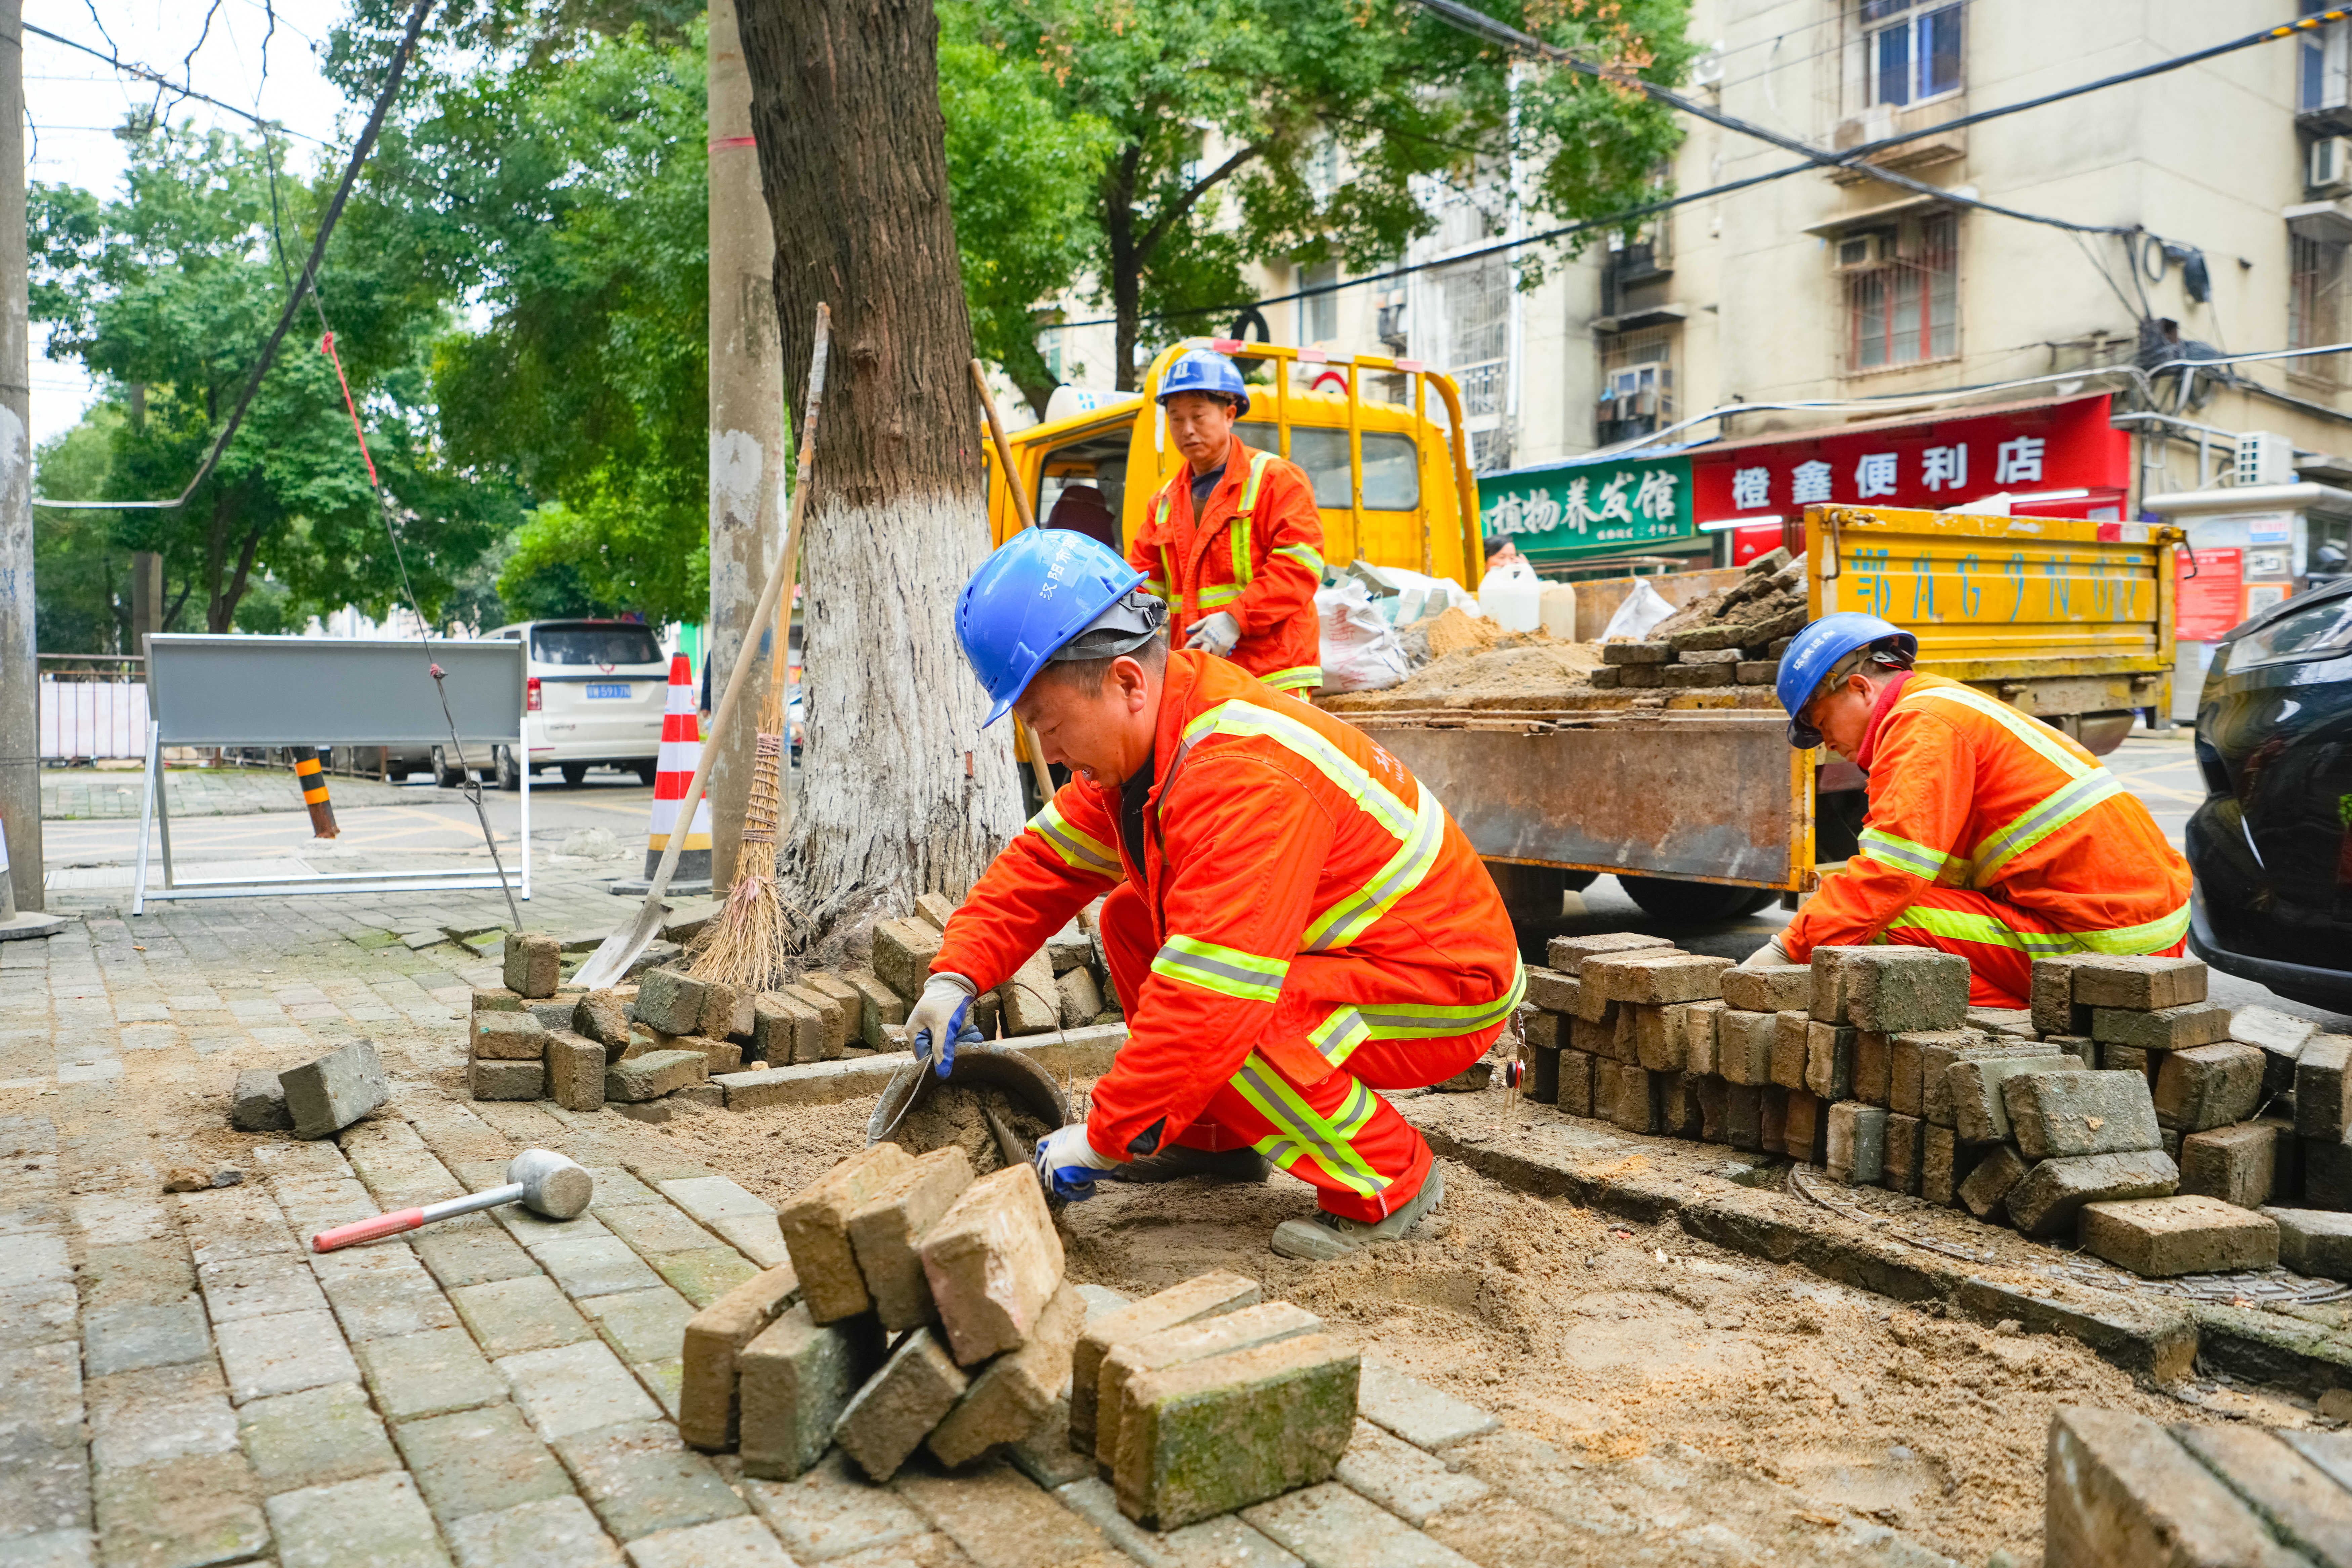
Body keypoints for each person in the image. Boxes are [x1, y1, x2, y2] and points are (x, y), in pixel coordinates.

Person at [908, 526, 1522, 1259]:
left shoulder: (1238, 776)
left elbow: (1210, 1002)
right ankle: (1211, 1137)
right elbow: (1041, 866)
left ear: (1127, 682)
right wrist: (957, 973)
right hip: (1360, 947)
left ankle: (1385, 1179)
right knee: (1135, 918)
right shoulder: (1148, 746)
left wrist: (1106, 1134)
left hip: (1444, 980)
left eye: (1046, 725)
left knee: (1242, 1017)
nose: (1052, 754)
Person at [1747, 612, 2192, 1007]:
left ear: (1861, 688)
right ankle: (2035, 1013)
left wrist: (1791, 946)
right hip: (2144, 931)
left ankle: (2047, 1013)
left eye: (1823, 723)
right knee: (1855, 915)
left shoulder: (1920, 727)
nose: (1827, 743)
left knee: (1872, 926)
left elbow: (1891, 875)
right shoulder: (1944, 704)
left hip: (2108, 946)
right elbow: (1935, 869)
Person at [1130, 348, 1326, 695]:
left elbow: (1298, 567)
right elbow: (1142, 586)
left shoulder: (1277, 479)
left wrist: (1237, 618)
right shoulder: (1162, 503)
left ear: (1229, 414)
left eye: (1198, 416)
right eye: (1176, 419)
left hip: (1271, 675)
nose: (1187, 429)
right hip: (1200, 678)